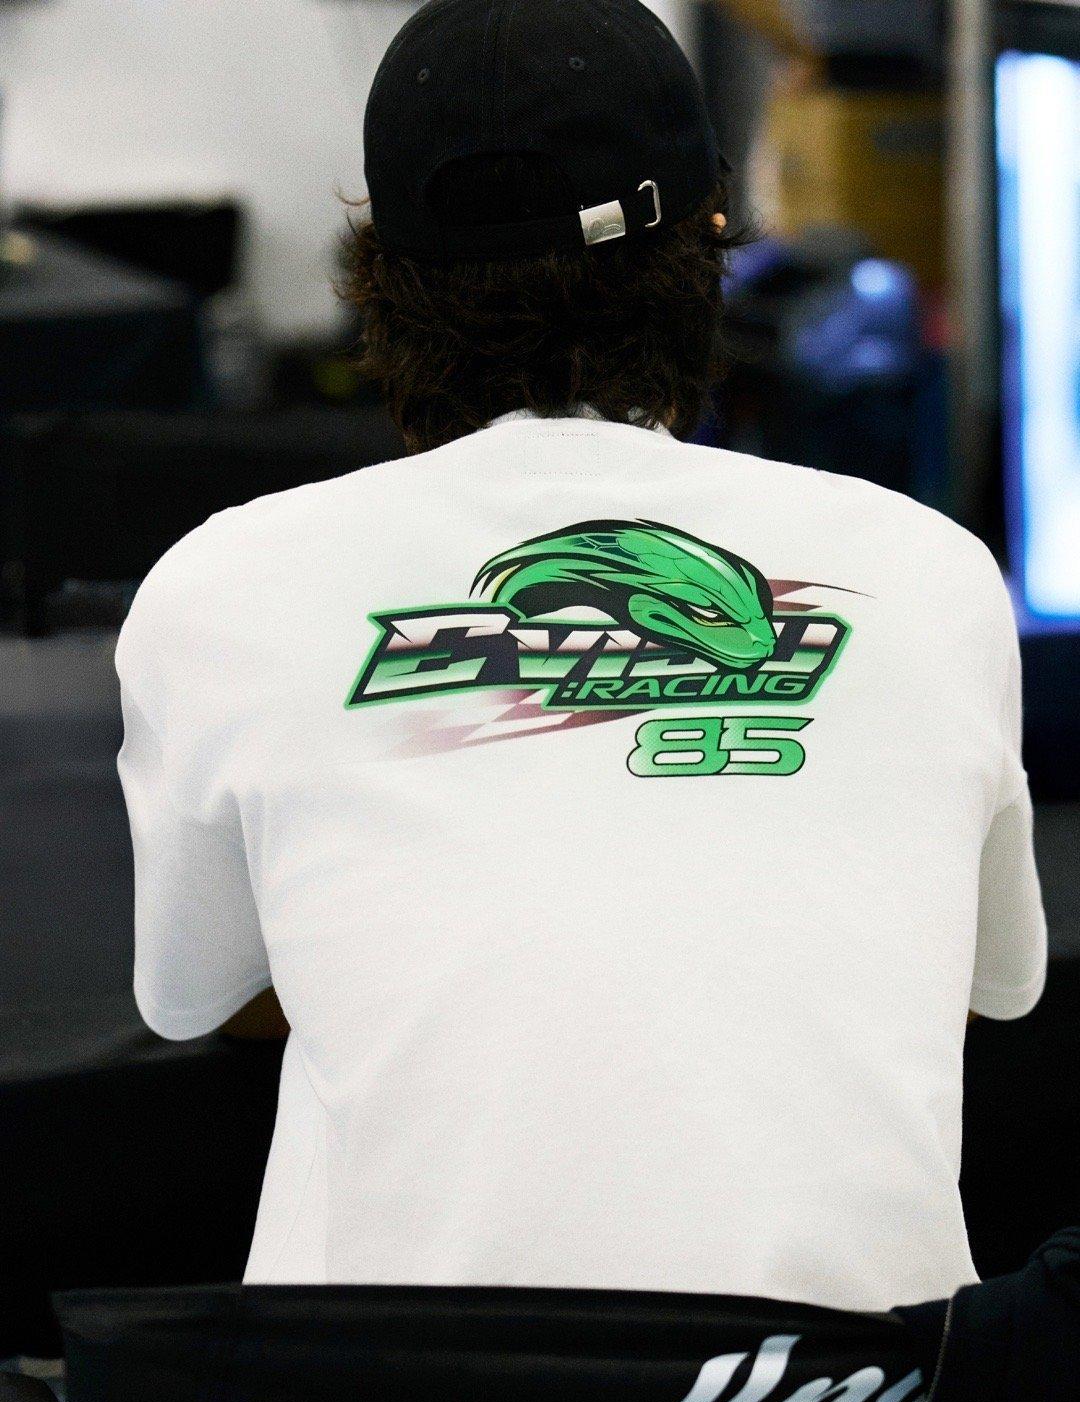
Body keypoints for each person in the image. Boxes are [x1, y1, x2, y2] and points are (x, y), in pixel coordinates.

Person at [115, 0, 1046, 1315]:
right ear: (712, 239)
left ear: (378, 272)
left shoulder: (221, 587)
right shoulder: (930, 570)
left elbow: (193, 995)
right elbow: (993, 984)